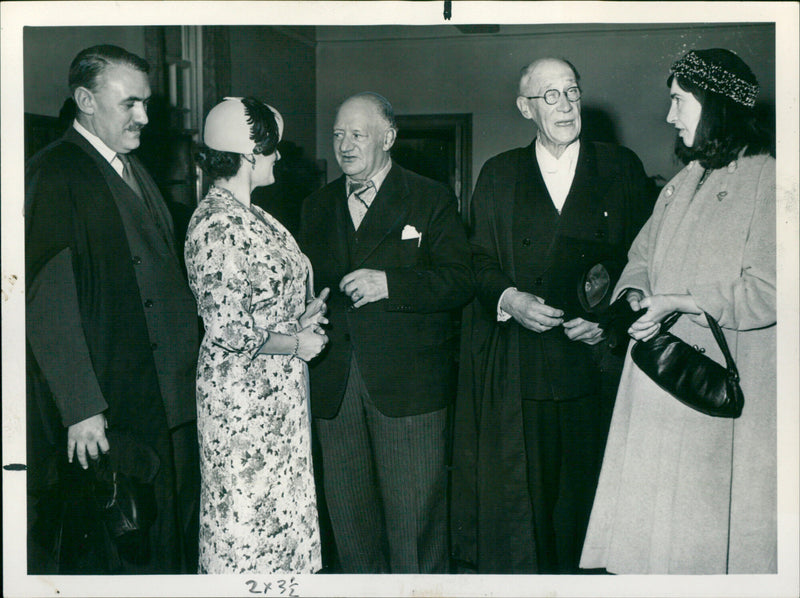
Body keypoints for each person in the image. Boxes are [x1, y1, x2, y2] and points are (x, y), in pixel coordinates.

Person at [450, 58, 655, 573]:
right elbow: (477, 260)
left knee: (593, 510)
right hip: (524, 371)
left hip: (599, 368)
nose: (565, 106)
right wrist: (510, 299)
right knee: (526, 511)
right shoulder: (498, 174)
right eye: (551, 96)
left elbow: (647, 260)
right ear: (526, 108)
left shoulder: (621, 167)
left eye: (572, 93)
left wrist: (609, 320)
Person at [580, 48, 776, 574]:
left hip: (720, 384)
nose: (669, 116)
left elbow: (772, 289)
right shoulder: (681, 182)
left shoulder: (771, 178)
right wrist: (637, 297)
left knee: (705, 539)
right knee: (653, 543)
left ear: (713, 103)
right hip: (659, 377)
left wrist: (681, 302)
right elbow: (639, 259)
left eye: (677, 101)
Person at [25, 44, 200, 573]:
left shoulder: (129, 167)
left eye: (145, 103)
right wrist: (81, 405)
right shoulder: (56, 173)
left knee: (165, 536)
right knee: (121, 551)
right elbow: (46, 301)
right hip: (111, 404)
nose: (144, 117)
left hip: (160, 397)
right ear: (85, 100)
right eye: (130, 104)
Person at [298, 92, 473, 573]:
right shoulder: (316, 206)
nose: (345, 145)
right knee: (351, 528)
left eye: (358, 134)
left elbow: (461, 279)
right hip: (335, 384)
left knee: (415, 527)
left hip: (408, 389)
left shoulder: (430, 196)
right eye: (338, 134)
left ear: (388, 138)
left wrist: (390, 284)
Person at [184, 97, 329, 574]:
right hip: (242, 404)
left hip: (277, 399)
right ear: (248, 155)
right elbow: (226, 327)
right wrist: (297, 344)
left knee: (282, 525)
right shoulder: (215, 223)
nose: (279, 158)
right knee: (245, 527)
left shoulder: (255, 215)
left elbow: (262, 303)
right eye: (272, 150)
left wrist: (303, 315)